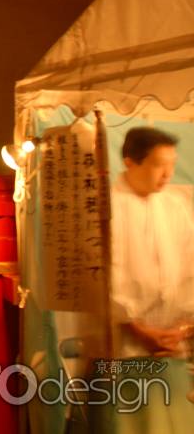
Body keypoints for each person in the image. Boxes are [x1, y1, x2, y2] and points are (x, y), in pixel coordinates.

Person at [105, 126, 194, 432]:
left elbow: (190, 265)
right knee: (137, 424)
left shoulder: (175, 205)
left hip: (171, 343)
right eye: (159, 165)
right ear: (130, 162)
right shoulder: (108, 207)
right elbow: (103, 277)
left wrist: (182, 328)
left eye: (172, 164)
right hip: (126, 345)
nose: (168, 174)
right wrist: (137, 328)